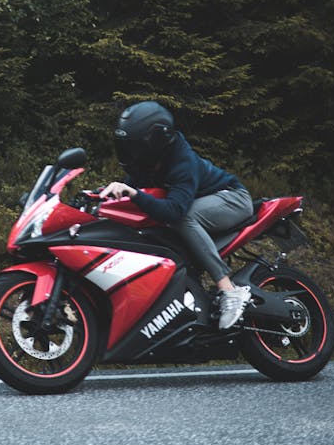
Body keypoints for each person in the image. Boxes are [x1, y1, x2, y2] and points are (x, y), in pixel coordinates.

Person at [99, 101, 254, 330]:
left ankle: (229, 290)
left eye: (134, 145)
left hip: (232, 199)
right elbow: (131, 195)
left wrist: (133, 193)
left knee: (183, 218)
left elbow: (174, 211)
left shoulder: (182, 160)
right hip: (201, 204)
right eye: (126, 145)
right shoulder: (142, 163)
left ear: (154, 141)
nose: (129, 152)